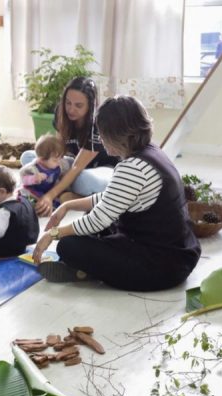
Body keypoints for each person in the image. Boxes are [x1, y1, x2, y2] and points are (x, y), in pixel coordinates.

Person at [31, 96, 201, 291]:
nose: (101, 141)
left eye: (103, 134)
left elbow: (99, 219)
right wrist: (67, 206)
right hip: (178, 254)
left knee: (68, 246)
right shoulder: (152, 151)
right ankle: (89, 269)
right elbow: (112, 199)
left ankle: (89, 270)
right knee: (89, 222)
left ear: (117, 134)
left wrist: (53, 234)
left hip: (162, 268)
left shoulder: (133, 167)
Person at [20, 77, 120, 217]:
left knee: (84, 180)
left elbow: (77, 167)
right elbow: (59, 151)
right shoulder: (61, 114)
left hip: (102, 168)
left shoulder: (98, 123)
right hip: (74, 162)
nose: (71, 109)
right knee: (29, 157)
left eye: (78, 105)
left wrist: (49, 195)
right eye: (68, 103)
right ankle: (65, 192)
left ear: (90, 106)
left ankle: (73, 197)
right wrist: (49, 164)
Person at [18, 133, 72, 206]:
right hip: (34, 191)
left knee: (57, 202)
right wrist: (34, 179)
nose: (59, 162)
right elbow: (23, 179)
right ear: (41, 160)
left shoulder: (59, 166)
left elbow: (64, 173)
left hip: (48, 191)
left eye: (60, 158)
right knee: (26, 196)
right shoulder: (33, 168)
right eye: (55, 160)